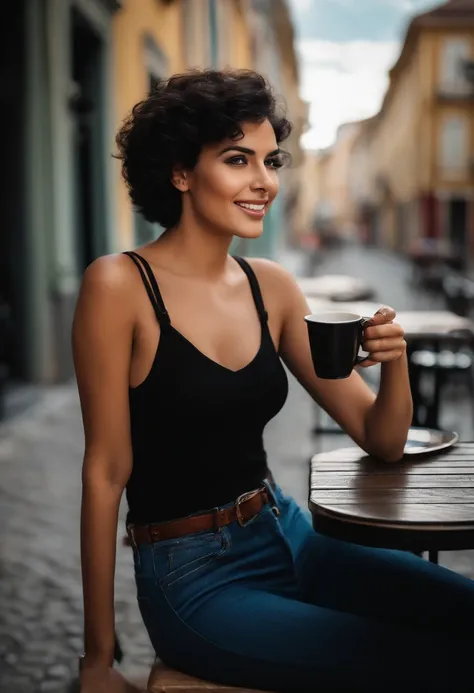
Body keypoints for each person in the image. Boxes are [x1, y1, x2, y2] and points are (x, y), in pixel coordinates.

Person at [73, 69, 474, 693]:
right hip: (195, 582)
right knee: (429, 663)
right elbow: (104, 472)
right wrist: (98, 660)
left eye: (270, 160)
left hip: (287, 533)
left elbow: (382, 438)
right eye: (238, 160)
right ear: (180, 171)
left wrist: (394, 361)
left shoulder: (273, 287)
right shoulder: (119, 287)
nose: (265, 181)